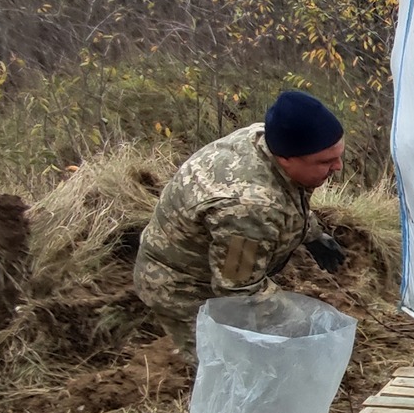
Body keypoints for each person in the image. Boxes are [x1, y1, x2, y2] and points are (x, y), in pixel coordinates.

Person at [133, 89, 349, 359]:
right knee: (226, 367)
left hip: (220, 261)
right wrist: (303, 323)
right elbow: (239, 293)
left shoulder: (267, 139)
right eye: (326, 161)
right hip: (183, 287)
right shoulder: (248, 208)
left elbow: (290, 195)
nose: (338, 167)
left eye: (339, 155)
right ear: (285, 158)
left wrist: (313, 233)